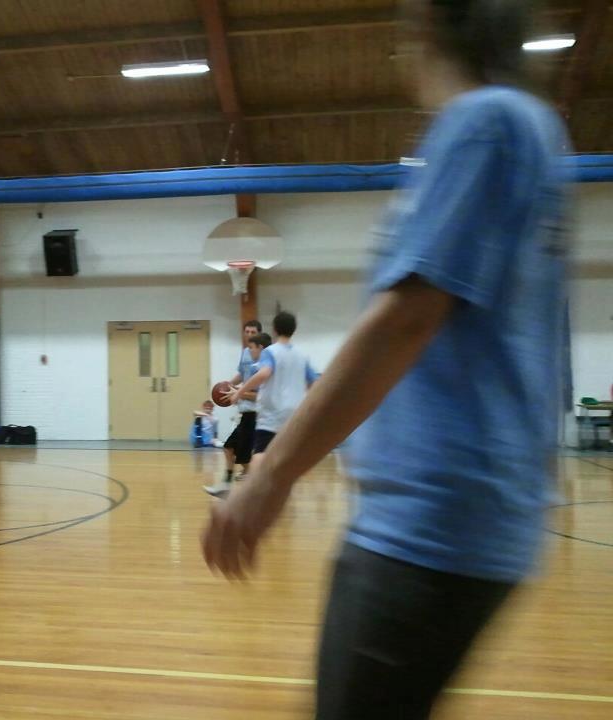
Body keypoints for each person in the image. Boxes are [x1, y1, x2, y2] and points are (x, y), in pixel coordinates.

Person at [202, 2, 570, 718]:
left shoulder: (487, 121)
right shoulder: (534, 129)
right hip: (466, 515)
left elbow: (404, 320)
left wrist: (270, 477)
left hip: (430, 523)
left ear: (430, 31)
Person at [229, 312, 317, 455]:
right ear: (294, 330)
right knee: (286, 456)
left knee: (260, 455)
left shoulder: (270, 352)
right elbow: (314, 383)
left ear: (274, 329)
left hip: (272, 415)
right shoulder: (302, 355)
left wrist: (239, 392)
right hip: (295, 414)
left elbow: (264, 373)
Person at [204, 331, 272, 497]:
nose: (249, 350)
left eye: (252, 347)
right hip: (246, 414)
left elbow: (260, 397)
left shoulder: (265, 369)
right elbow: (241, 376)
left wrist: (238, 392)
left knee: (245, 458)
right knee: (228, 448)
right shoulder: (251, 363)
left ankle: (259, 489)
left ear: (260, 348)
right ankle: (226, 488)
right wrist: (229, 386)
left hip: (256, 416)